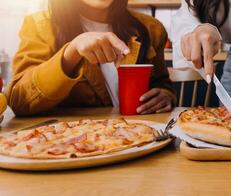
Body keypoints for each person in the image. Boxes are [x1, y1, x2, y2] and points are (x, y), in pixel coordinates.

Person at [6, 0, 176, 116]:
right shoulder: (40, 25)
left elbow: (162, 83)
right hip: (73, 148)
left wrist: (165, 95)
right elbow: (18, 100)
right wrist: (70, 53)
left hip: (140, 141)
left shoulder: (151, 28)